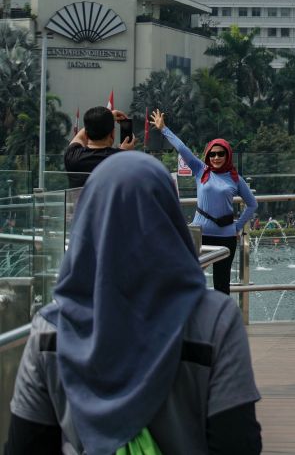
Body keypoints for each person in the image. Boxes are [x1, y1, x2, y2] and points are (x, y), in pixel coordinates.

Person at [5, 152, 262, 454]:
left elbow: (25, 444)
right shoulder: (215, 322)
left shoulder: (50, 330)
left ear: (88, 220)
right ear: (169, 217)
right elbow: (237, 442)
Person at [151, 109, 257, 295]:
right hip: (200, 234)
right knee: (191, 279)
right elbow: (183, 148)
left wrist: (237, 227)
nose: (216, 158)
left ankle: (220, 323)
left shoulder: (235, 178)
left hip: (226, 237)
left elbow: (252, 204)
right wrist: (163, 128)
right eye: (213, 154)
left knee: (221, 285)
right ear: (208, 155)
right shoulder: (201, 170)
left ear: (227, 155)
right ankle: (191, 320)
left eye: (221, 154)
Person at [63, 106, 135, 188]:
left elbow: (79, 137)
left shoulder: (72, 156)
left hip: (79, 201)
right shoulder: (121, 159)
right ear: (112, 133)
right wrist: (125, 153)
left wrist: (106, 118)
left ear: (86, 133)